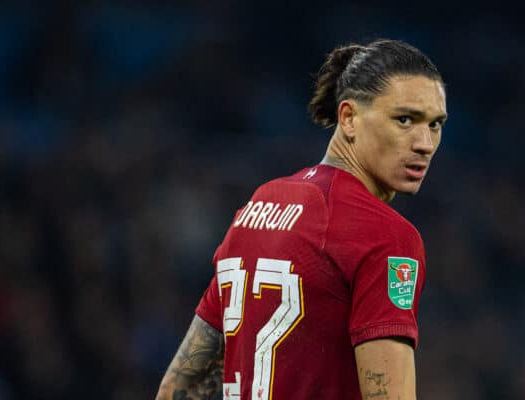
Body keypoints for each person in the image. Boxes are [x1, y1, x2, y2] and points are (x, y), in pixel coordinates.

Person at [156, 38, 447, 400]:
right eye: (405, 119)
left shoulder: (258, 207)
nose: (424, 143)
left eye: (435, 125)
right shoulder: (385, 235)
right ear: (349, 117)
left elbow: (180, 388)